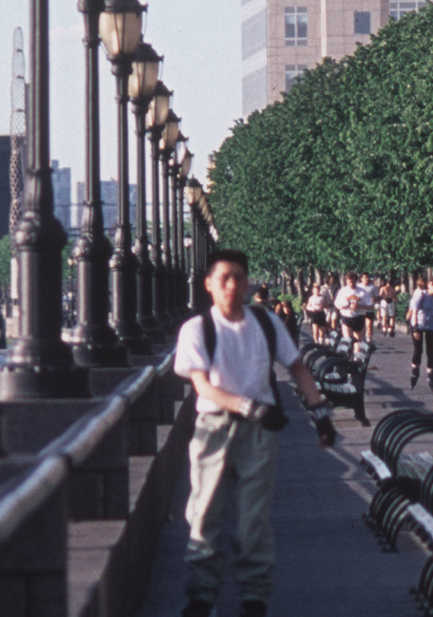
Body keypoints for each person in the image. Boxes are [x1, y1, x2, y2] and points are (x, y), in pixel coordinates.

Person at [176, 249, 338, 617]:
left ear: (248, 283)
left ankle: (254, 595)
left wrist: (321, 414)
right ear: (209, 285)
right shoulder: (197, 330)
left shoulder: (265, 324)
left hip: (258, 432)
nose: (232, 286)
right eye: (223, 279)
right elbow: (202, 386)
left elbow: (297, 368)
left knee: (254, 518)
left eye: (239, 278)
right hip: (214, 427)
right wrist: (250, 406)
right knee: (204, 514)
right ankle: (202, 594)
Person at [334, 271, 366, 344]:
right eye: (349, 282)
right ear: (346, 281)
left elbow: (370, 305)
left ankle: (356, 355)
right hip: (347, 317)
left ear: (356, 281)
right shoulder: (343, 291)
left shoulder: (362, 291)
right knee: (348, 340)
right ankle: (349, 355)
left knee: (358, 342)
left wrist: (359, 303)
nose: (351, 284)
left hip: (359, 317)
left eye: (352, 282)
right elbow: (337, 304)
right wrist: (346, 304)